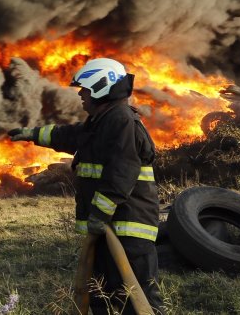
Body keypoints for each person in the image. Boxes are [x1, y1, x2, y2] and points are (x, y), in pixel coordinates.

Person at [8, 57, 165, 314]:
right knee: (101, 294)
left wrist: (100, 213)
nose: (81, 94)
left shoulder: (121, 120)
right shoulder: (104, 120)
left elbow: (121, 172)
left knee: (136, 297)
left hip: (126, 227)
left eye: (86, 89)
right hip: (109, 227)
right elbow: (71, 135)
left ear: (102, 87)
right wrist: (32, 134)